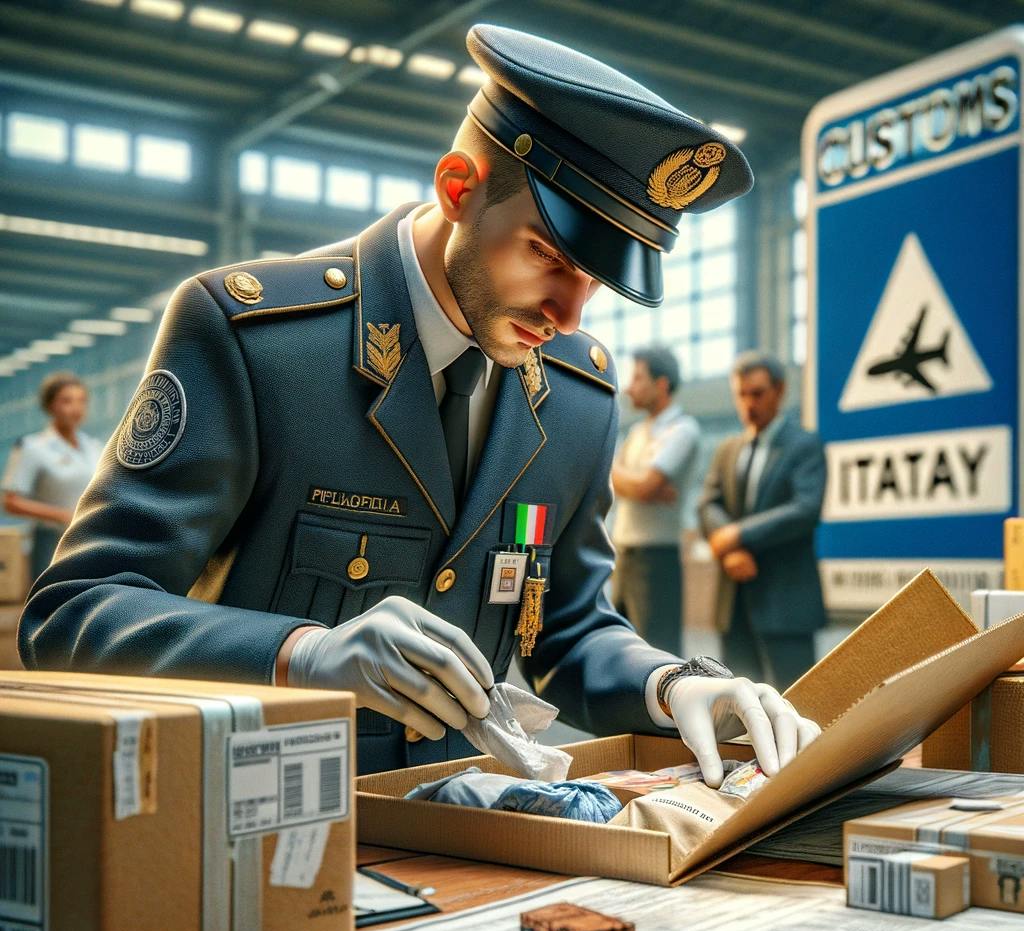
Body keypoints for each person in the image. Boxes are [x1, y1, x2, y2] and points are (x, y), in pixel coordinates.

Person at [19, 25, 821, 785]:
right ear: (458, 187)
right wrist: (301, 653)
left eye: (595, 281)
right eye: (546, 255)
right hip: (256, 824)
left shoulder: (578, 399)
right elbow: (75, 611)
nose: (568, 316)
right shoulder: (258, 342)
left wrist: (668, 684)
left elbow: (568, 629)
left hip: (462, 831)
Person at [699, 352, 827, 691]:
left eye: (757, 393)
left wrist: (739, 534)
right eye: (741, 394)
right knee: (738, 709)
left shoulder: (803, 445)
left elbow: (805, 509)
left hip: (785, 603)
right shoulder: (729, 448)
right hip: (734, 601)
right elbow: (708, 504)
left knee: (797, 704)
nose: (748, 403)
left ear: (780, 390)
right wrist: (729, 551)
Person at [611, 347, 698, 656]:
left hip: (656, 561)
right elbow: (623, 484)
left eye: (638, 378)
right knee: (620, 650)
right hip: (622, 555)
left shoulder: (684, 430)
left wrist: (635, 482)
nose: (629, 387)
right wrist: (636, 483)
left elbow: (644, 486)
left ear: (661, 384)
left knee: (657, 655)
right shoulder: (636, 432)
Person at [2, 372, 103, 583]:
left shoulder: (94, 447)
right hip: (49, 541)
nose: (76, 408)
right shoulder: (32, 448)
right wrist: (62, 515)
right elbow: (11, 502)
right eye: (67, 401)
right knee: (50, 607)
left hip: (89, 539)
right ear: (50, 406)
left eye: (81, 401)